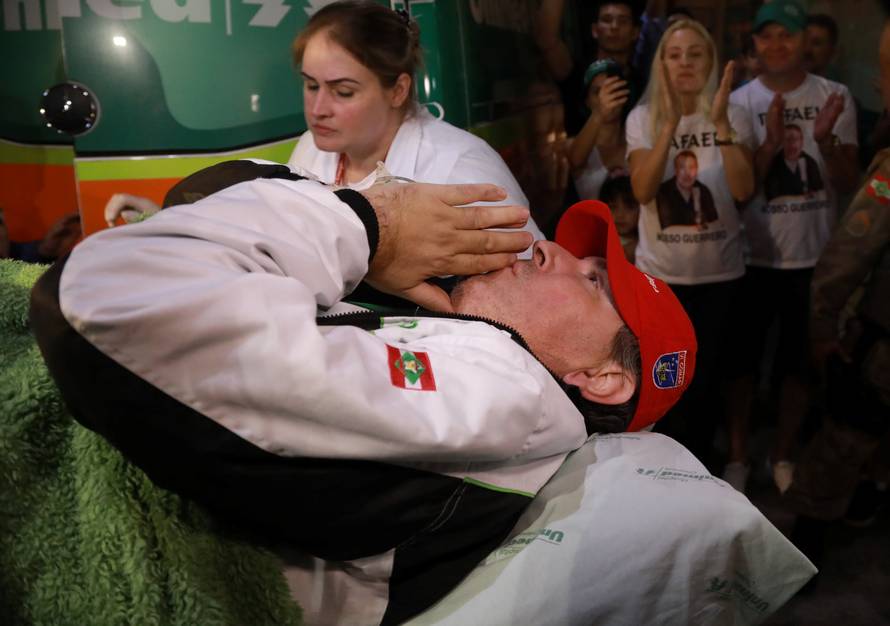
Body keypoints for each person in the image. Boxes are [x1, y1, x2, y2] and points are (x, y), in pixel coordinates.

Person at [30, 162, 697, 624]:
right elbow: (202, 194)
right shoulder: (479, 355)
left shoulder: (509, 393)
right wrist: (377, 239)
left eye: (593, 282)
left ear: (602, 378)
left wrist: (368, 224)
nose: (552, 251)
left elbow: (112, 303)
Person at [725, 0, 859, 493]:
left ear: (806, 40)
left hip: (814, 258)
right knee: (740, 366)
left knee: (798, 366)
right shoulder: (738, 102)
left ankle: (781, 455)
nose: (776, 45)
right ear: (755, 44)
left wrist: (824, 140)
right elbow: (740, 190)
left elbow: (848, 181)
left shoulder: (833, 96)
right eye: (767, 36)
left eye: (787, 35)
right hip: (750, 255)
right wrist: (767, 144)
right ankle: (738, 459)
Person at [286, 0, 543, 249]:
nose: (317, 110)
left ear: (398, 90)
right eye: (311, 86)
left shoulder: (458, 169)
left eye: (343, 92)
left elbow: (533, 277)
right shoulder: (310, 149)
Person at [782, 0, 890, 573]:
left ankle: (803, 558)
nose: (877, 80)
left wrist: (823, 327)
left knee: (841, 444)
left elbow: (848, 253)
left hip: (881, 349)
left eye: (886, 71)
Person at [625, 18, 754, 467]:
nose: (684, 63)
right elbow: (642, 190)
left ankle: (711, 471)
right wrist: (669, 124)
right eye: (674, 54)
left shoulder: (733, 115)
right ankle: (672, 471)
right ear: (660, 63)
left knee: (714, 379)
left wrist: (718, 124)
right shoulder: (642, 118)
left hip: (721, 273)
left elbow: (742, 190)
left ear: (711, 61)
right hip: (663, 277)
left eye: (695, 53)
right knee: (668, 382)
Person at [535, 0, 644, 136]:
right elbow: (546, 38)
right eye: (607, 20)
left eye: (623, 21)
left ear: (635, 32)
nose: (614, 27)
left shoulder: (642, 83)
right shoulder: (576, 73)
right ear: (595, 30)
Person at [569, 58, 631, 202]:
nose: (606, 97)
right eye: (597, 92)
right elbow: (575, 160)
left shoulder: (637, 142)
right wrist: (599, 113)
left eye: (613, 89)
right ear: (587, 101)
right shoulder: (576, 145)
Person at [655, 150, 718, 229]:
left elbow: (714, 222)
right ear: (675, 170)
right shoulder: (663, 191)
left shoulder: (703, 191)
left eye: (691, 167)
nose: (687, 173)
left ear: (697, 169)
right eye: (682, 167)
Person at [763, 123, 825, 201]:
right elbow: (772, 196)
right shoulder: (773, 164)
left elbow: (819, 191)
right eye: (788, 139)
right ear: (782, 142)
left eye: (795, 139)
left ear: (802, 142)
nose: (792, 144)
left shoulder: (810, 163)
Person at [598, 174, 639, 263]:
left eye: (630, 207)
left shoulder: (646, 240)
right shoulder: (602, 241)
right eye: (613, 207)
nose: (620, 215)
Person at [804, 14, 839, 79]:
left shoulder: (837, 88)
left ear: (831, 52)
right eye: (804, 41)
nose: (807, 49)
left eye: (816, 43)